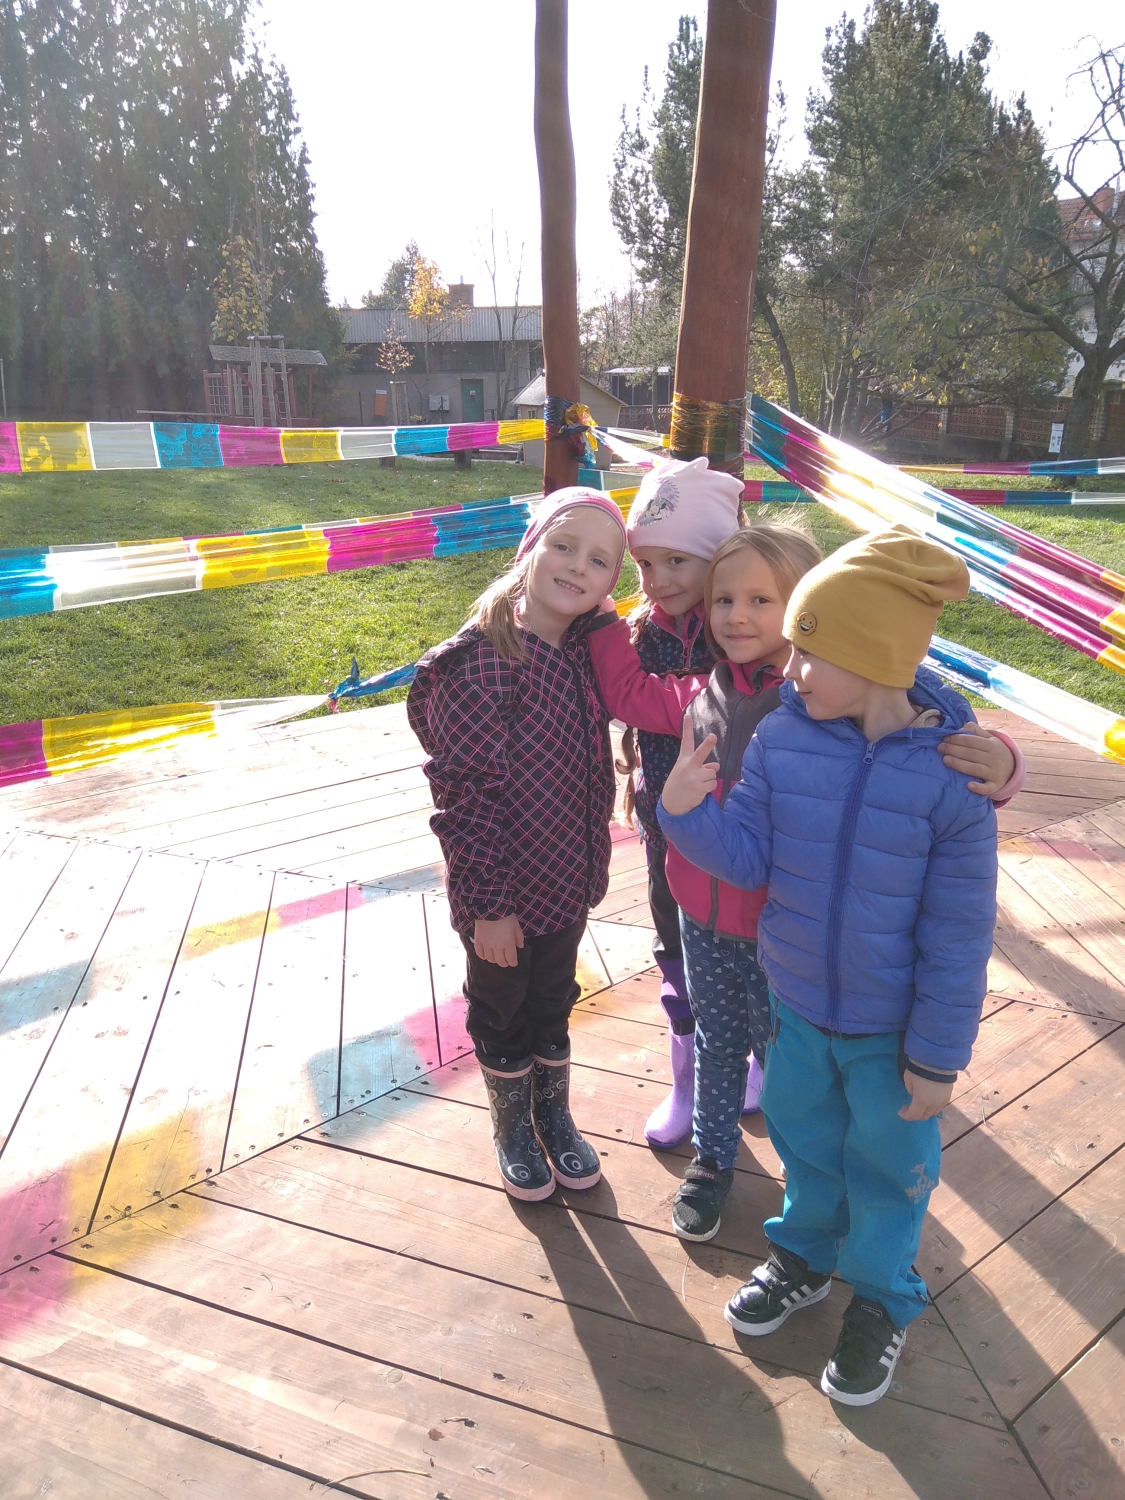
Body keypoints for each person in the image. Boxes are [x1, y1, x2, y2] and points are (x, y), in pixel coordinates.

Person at [590, 523, 1022, 1243]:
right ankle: (717, 1163)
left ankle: (817, 1190)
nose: (737, 616)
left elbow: (924, 741)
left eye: (762, 601)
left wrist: (1005, 763)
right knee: (721, 1044)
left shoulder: (818, 704)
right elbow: (637, 695)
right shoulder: (712, 692)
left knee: (790, 1068)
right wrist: (679, 813)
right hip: (707, 913)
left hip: (785, 934)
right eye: (724, 599)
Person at [657, 525, 1001, 1407]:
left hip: (893, 1034)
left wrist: (937, 1056)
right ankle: (804, 1258)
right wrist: (686, 814)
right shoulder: (784, 739)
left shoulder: (952, 779)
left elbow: (959, 934)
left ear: (876, 657)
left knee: (889, 1171)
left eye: (810, 653)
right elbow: (747, 858)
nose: (792, 672)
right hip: (798, 1007)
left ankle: (881, 1297)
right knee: (806, 1144)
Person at [407, 488, 627, 1202]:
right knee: (501, 1006)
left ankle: (551, 1117)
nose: (578, 565)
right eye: (564, 545)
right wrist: (490, 908)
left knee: (553, 999)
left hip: (564, 879)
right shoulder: (483, 662)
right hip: (500, 894)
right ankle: (512, 1128)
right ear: (529, 550)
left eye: (599, 560)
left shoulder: (582, 653)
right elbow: (464, 798)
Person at [613, 455, 747, 1148]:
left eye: (677, 561)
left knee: (749, 948)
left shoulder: (742, 628)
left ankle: (755, 1059)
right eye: (644, 563)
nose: (658, 580)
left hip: (743, 827)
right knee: (675, 946)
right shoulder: (641, 631)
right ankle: (687, 1081)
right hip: (666, 829)